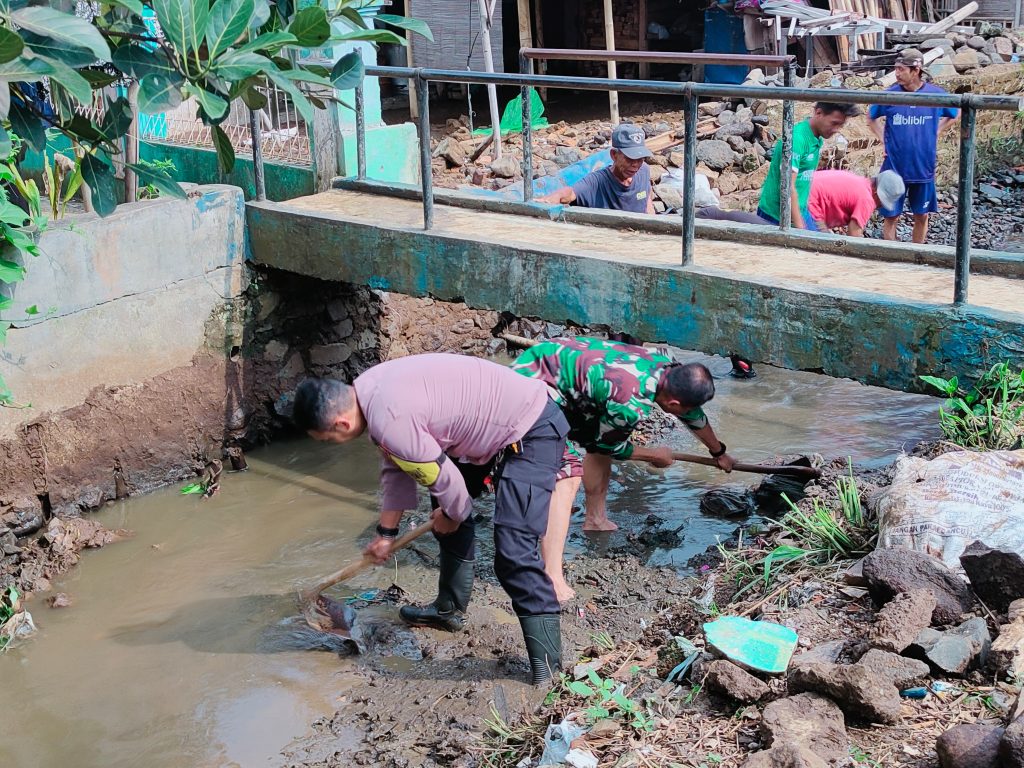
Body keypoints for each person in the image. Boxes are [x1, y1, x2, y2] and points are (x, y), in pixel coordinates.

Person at [292, 355, 570, 685]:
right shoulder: (369, 390)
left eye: (328, 441)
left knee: (514, 552)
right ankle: (448, 610)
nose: (332, 445)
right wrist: (386, 533)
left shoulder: (390, 418)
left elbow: (449, 482)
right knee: (444, 503)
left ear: (341, 424)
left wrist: (454, 514)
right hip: (491, 427)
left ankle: (550, 672)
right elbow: (397, 465)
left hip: (532, 428)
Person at [511, 337, 735, 603]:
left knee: (598, 439)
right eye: (683, 407)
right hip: (530, 386)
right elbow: (611, 447)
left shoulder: (665, 364)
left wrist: (718, 452)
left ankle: (595, 518)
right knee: (567, 474)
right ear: (673, 403)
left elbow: (691, 415)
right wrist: (654, 455)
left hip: (565, 371)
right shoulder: (629, 402)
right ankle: (551, 576)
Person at [867, 48, 959, 244]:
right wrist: (883, 139)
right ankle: (892, 256)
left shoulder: (936, 95)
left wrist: (937, 130)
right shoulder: (890, 96)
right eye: (895, 69)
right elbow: (871, 116)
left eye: (901, 69)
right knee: (891, 216)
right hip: (893, 167)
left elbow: (955, 113)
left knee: (922, 215)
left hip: (922, 167)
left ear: (916, 70)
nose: (897, 74)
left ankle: (917, 253)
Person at [757, 102, 860, 229]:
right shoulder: (797, 139)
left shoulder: (816, 138)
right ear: (818, 113)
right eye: (834, 123)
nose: (836, 130)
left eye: (840, 125)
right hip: (777, 215)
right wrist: (801, 228)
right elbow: (788, 186)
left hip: (800, 210)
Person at [539, 123, 655, 214]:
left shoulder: (643, 170)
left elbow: (647, 194)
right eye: (630, 158)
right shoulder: (597, 181)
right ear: (614, 155)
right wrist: (550, 199)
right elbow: (570, 193)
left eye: (640, 158)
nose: (635, 165)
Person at [806, 169, 905, 236]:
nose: (879, 207)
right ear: (877, 192)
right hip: (809, 203)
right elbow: (854, 235)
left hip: (803, 186)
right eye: (882, 202)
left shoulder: (860, 182)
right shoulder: (867, 199)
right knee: (820, 248)